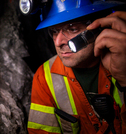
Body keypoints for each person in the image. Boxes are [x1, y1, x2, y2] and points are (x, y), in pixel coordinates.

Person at [27, 0, 126, 133]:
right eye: (54, 31)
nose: (58, 42)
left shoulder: (123, 59)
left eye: (73, 29)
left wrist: (124, 78)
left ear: (100, 26)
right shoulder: (45, 76)